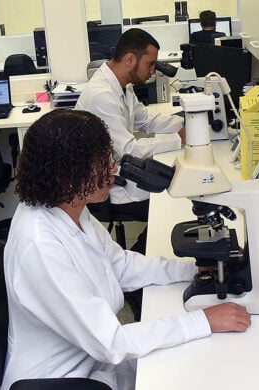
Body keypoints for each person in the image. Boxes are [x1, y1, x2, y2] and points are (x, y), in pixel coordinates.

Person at [1, 109, 251, 390]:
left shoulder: (69, 206)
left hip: (93, 362)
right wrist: (202, 321)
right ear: (68, 176)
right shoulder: (39, 246)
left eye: (109, 157)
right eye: (102, 162)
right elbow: (112, 343)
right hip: (63, 381)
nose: (114, 168)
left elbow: (119, 265)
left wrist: (192, 270)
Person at [75, 28, 186, 256]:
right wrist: (178, 140)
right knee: (171, 204)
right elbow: (128, 150)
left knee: (177, 188)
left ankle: (141, 259)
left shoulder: (122, 87)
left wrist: (186, 123)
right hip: (107, 186)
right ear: (129, 59)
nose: (153, 71)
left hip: (120, 170)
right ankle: (139, 261)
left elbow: (146, 120)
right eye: (150, 64)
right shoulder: (102, 96)